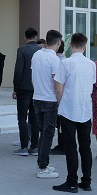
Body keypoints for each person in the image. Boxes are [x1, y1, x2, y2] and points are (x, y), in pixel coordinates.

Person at [51, 32, 97, 193]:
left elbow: (58, 87)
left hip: (69, 109)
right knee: (85, 147)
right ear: (85, 46)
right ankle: (87, 181)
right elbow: (91, 83)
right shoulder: (91, 64)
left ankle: (71, 182)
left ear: (70, 45)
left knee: (70, 146)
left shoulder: (66, 63)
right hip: (85, 109)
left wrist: (60, 103)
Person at [31, 30, 61, 176]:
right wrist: (60, 101)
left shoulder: (36, 55)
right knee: (48, 134)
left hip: (37, 98)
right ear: (58, 42)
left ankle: (42, 163)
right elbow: (57, 83)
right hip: (50, 100)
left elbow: (33, 78)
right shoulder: (54, 59)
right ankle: (43, 167)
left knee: (43, 133)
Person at [12, 27, 41, 156]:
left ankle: (24, 146)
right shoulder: (41, 51)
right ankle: (34, 147)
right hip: (37, 89)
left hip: (23, 88)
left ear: (25, 37)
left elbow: (18, 70)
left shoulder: (22, 50)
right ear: (36, 37)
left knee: (22, 117)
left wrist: (15, 88)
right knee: (34, 118)